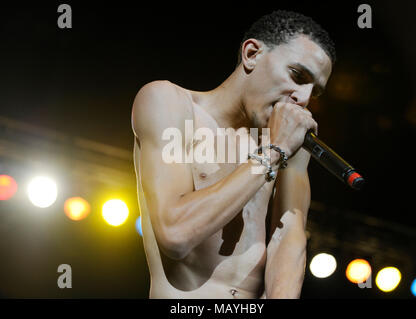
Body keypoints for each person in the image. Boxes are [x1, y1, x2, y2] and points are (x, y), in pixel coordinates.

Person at [131, 10, 335, 299]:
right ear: (252, 54)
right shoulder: (168, 101)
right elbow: (175, 234)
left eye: (314, 91)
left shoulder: (290, 144)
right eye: (297, 75)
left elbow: (288, 238)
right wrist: (272, 152)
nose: (303, 98)